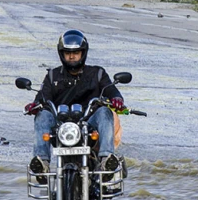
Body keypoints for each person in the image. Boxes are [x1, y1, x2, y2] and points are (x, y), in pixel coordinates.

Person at [25, 29, 124, 184]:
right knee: (42, 114)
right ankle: (42, 163)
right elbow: (42, 97)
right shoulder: (53, 76)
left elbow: (112, 90)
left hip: (89, 123)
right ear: (61, 54)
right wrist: (34, 105)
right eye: (67, 53)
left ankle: (106, 161)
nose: (72, 56)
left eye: (76, 52)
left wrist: (117, 99)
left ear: (83, 53)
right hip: (60, 125)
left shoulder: (97, 73)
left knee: (105, 111)